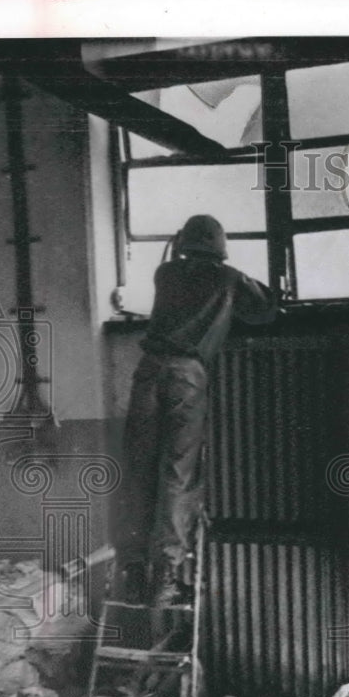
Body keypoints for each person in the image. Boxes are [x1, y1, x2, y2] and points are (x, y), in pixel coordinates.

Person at [116, 214, 277, 610]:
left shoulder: (164, 273)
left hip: (148, 371)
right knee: (178, 474)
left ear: (184, 242)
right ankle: (166, 576)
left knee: (139, 471)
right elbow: (265, 311)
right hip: (186, 375)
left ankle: (132, 570)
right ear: (220, 246)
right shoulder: (228, 279)